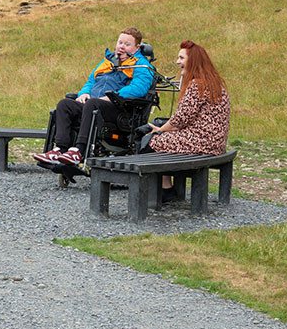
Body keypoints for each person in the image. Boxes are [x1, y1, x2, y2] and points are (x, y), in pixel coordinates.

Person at [33, 27, 154, 167]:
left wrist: (114, 96)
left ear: (137, 47)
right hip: (94, 104)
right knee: (65, 104)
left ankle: (79, 150)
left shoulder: (142, 65)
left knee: (92, 104)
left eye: (127, 44)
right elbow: (91, 81)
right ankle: (60, 149)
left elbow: (139, 88)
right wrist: (83, 93)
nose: (121, 47)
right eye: (120, 42)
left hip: (119, 109)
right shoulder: (108, 61)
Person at [146, 40, 230, 202]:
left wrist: (160, 130)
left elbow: (179, 120)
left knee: (150, 140)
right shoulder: (214, 83)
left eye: (181, 58)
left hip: (202, 143)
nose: (178, 62)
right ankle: (166, 188)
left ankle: (163, 191)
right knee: (159, 136)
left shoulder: (197, 85)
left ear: (193, 61)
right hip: (214, 142)